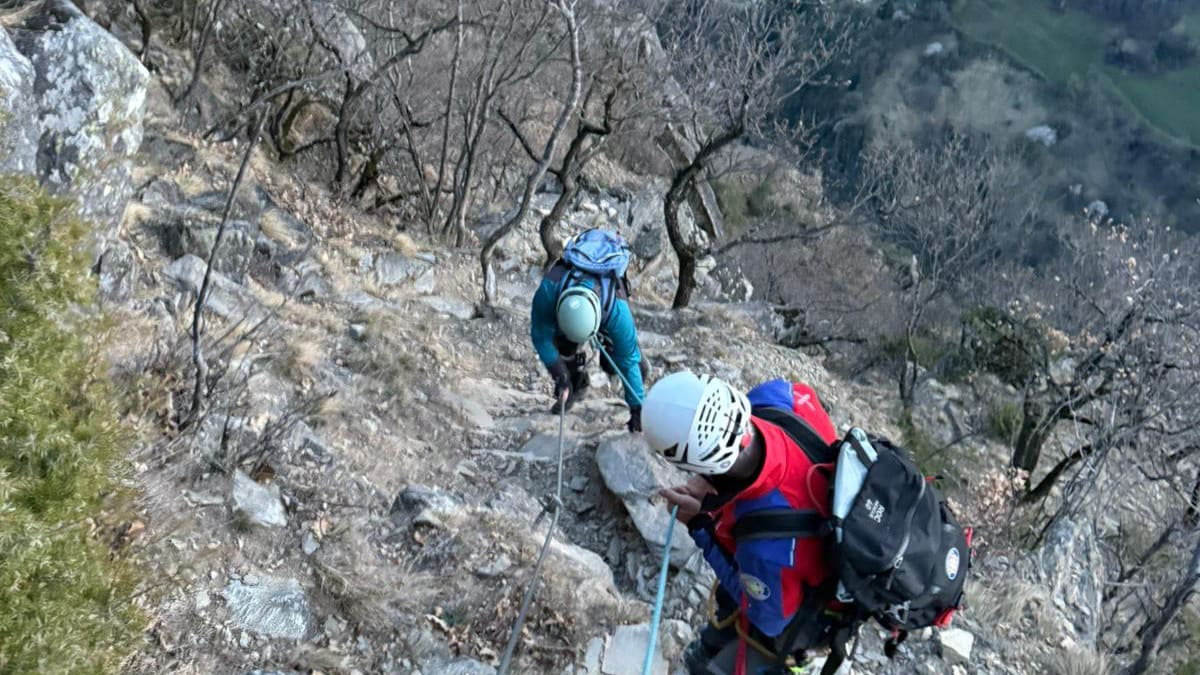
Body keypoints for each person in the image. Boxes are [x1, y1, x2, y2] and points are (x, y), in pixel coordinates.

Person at [643, 372, 844, 675]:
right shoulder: (776, 398)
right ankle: (712, 645)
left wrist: (700, 526)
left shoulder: (764, 549)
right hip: (806, 546)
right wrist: (707, 479)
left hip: (805, 608)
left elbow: (768, 619)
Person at [530, 229, 645, 431]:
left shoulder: (617, 310)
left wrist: (637, 410)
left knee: (616, 361)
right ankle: (576, 384)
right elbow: (541, 336)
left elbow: (627, 360)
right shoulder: (548, 291)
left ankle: (639, 369)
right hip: (569, 309)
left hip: (604, 308)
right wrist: (560, 375)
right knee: (562, 345)